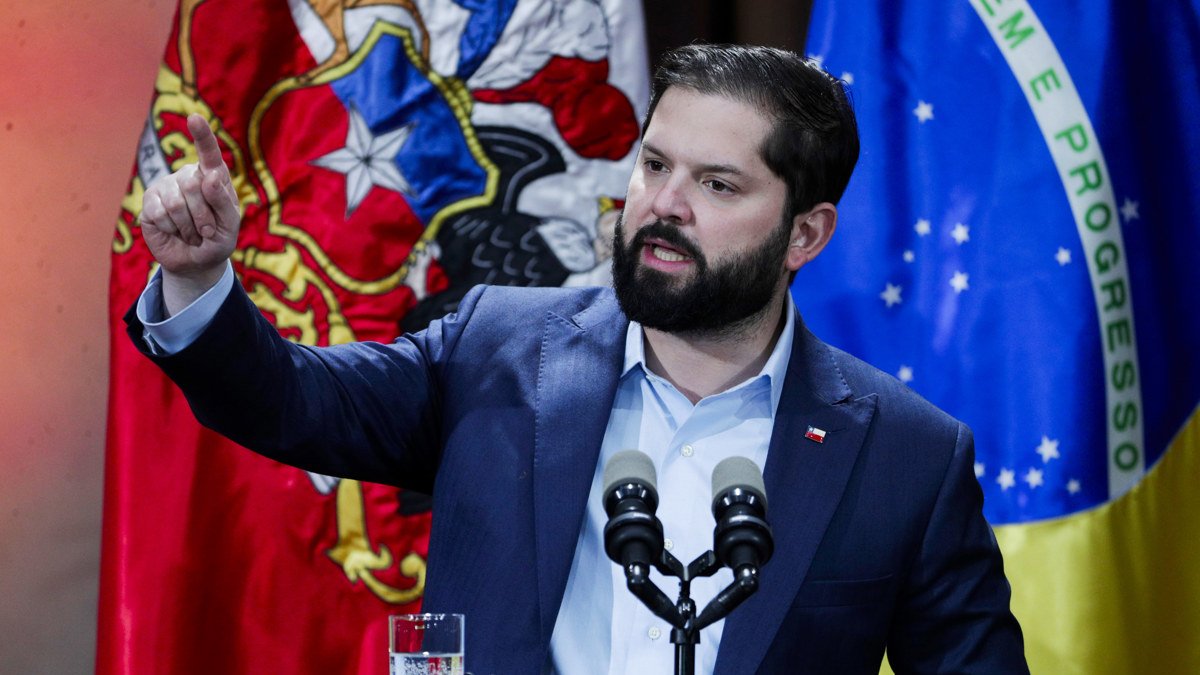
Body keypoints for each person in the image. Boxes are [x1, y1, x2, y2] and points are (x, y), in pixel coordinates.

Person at [128, 44, 1027, 674]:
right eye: (654, 165)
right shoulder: (495, 347)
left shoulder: (907, 455)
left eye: (717, 184)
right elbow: (287, 401)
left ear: (805, 232)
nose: (664, 205)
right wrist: (203, 281)